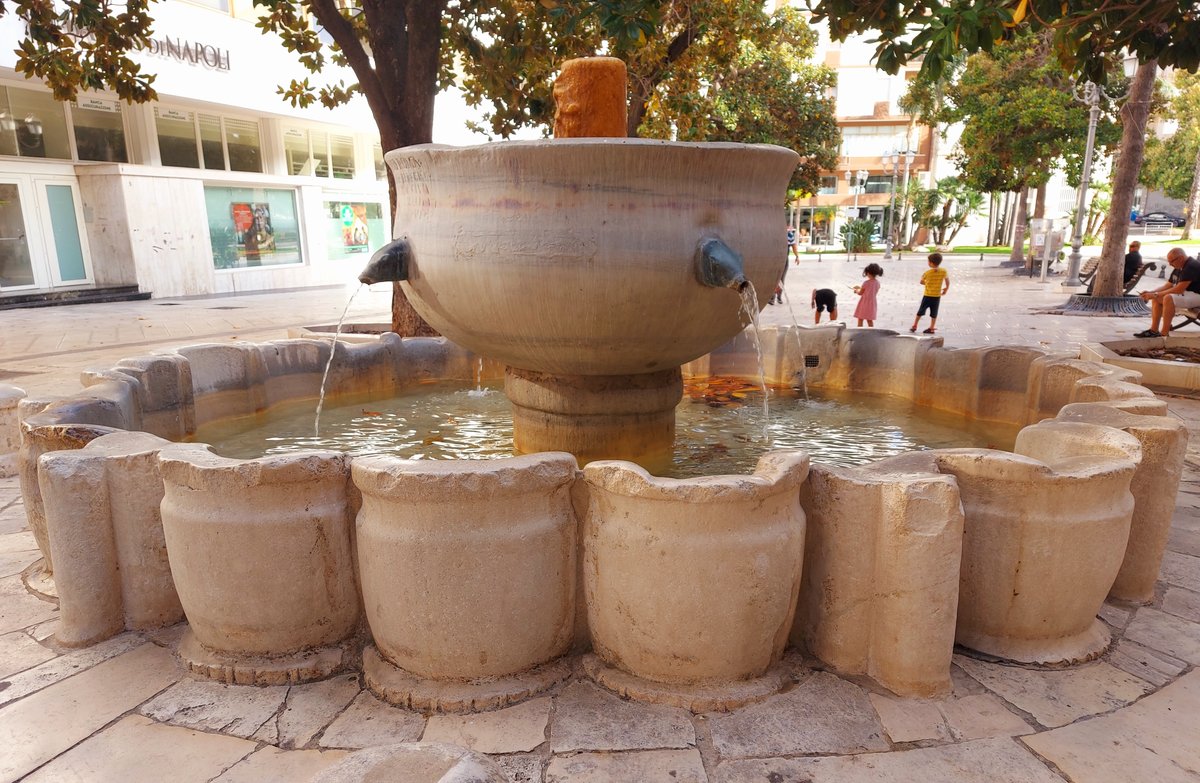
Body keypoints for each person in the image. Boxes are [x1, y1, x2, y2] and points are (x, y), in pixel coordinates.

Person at [1135, 247, 1200, 338]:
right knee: (1157, 298)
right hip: (1188, 294)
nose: (1169, 264)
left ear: (1180, 258)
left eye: (1171, 261)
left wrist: (1155, 294)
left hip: (1197, 295)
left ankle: (1165, 333)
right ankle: (1154, 330)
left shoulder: (1191, 266)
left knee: (1168, 298)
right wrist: (1151, 292)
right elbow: (1168, 285)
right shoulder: (1179, 266)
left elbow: (1179, 289)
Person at [910, 252, 949, 334]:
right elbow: (947, 281)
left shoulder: (927, 273)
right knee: (934, 313)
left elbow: (921, 282)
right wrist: (946, 289)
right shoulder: (943, 271)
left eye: (928, 261)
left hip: (927, 295)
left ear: (931, 263)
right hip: (937, 296)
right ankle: (931, 328)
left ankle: (915, 325)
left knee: (920, 311)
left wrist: (927, 283)